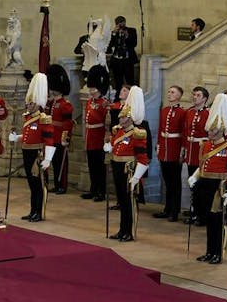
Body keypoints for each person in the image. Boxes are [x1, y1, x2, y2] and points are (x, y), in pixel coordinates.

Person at [188, 94, 227, 264]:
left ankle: (217, 253)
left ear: (221, 130)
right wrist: (195, 176)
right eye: (210, 129)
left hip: (218, 187)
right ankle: (209, 251)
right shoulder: (205, 145)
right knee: (207, 221)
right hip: (204, 183)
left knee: (217, 222)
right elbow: (203, 164)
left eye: (213, 130)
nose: (210, 132)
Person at [8, 73, 56, 222]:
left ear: (36, 104)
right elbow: (27, 136)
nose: (28, 106)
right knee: (31, 183)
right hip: (27, 151)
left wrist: (48, 159)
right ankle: (32, 210)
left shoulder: (43, 119)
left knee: (38, 184)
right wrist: (16, 138)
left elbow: (49, 140)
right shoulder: (27, 117)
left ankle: (39, 212)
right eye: (28, 104)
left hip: (38, 154)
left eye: (30, 104)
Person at [105, 86, 149, 242]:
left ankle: (128, 231)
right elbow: (113, 145)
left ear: (130, 118)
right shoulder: (118, 131)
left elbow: (143, 158)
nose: (120, 119)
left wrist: (136, 177)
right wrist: (109, 146)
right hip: (117, 166)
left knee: (129, 202)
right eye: (120, 117)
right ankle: (121, 230)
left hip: (128, 169)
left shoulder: (137, 134)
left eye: (123, 118)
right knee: (122, 201)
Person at [153, 85, 187, 222]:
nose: (169, 94)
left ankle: (174, 210)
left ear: (179, 96)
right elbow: (161, 128)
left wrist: (181, 152)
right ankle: (167, 209)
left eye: (173, 92)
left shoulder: (182, 112)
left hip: (174, 149)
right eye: (169, 92)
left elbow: (184, 133)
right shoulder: (165, 110)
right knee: (167, 181)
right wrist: (159, 146)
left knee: (175, 182)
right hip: (165, 149)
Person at [80, 65, 111, 202]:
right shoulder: (89, 102)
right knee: (92, 165)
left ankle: (101, 191)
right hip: (90, 136)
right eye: (90, 88)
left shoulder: (104, 103)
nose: (91, 91)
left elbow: (107, 123)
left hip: (99, 136)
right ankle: (93, 189)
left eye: (93, 89)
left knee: (100, 167)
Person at [181, 86, 210, 225]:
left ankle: (202, 214)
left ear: (204, 98)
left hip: (201, 152)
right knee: (192, 183)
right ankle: (194, 212)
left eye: (198, 95)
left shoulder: (208, 113)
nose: (195, 97)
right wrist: (184, 151)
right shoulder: (190, 112)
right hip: (190, 151)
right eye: (194, 95)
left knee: (200, 185)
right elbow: (186, 132)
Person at [45, 64, 73, 195]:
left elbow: (67, 123)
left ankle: (62, 185)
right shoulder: (51, 103)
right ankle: (56, 184)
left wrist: (65, 137)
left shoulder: (65, 105)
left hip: (59, 136)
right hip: (51, 136)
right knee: (54, 162)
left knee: (61, 162)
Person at [107, 15, 138, 97]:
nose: (121, 24)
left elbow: (134, 44)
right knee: (118, 82)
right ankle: (118, 98)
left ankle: (131, 97)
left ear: (125, 22)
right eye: (119, 23)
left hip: (128, 60)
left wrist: (127, 36)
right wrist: (113, 34)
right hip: (117, 61)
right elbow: (109, 46)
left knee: (130, 81)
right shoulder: (114, 33)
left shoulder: (131, 31)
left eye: (122, 22)